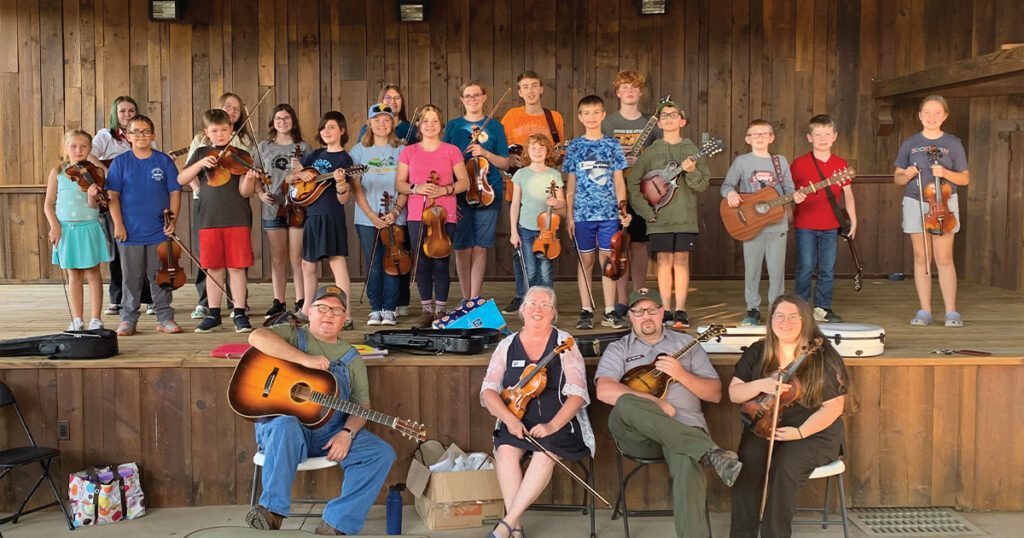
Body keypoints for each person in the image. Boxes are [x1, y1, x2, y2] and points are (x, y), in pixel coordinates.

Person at [245, 285, 396, 536]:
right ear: (309, 312)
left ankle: (336, 523)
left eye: (337, 310)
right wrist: (304, 360)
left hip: (330, 433)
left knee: (380, 453)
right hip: (284, 430)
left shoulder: (351, 358)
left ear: (345, 318)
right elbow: (256, 337)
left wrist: (347, 433)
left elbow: (362, 406)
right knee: (285, 425)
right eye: (322, 308)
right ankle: (272, 511)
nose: (329, 315)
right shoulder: (293, 334)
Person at [595, 288, 742, 538]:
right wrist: (655, 404)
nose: (646, 315)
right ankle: (710, 452)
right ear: (630, 315)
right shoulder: (619, 349)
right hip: (639, 436)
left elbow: (715, 394)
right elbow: (604, 390)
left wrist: (680, 374)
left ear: (662, 312)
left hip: (685, 427)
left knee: (686, 457)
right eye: (639, 311)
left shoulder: (687, 345)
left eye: (652, 309)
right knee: (626, 402)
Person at [728, 295, 849, 538]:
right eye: (780, 316)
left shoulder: (822, 356)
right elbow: (734, 393)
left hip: (814, 432)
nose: (786, 321)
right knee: (747, 462)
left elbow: (834, 407)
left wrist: (800, 432)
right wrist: (762, 384)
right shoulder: (758, 351)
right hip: (767, 427)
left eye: (794, 316)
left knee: (784, 466)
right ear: (771, 320)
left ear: (805, 320)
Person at [480, 286, 593, 538]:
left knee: (544, 454)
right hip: (517, 418)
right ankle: (516, 529)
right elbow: (488, 391)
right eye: (532, 304)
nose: (538, 310)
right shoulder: (507, 345)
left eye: (545, 305)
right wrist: (509, 419)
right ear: (522, 310)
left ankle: (507, 525)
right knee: (506, 450)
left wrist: (552, 426)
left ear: (553, 313)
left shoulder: (564, 343)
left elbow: (577, 394)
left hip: (559, 420)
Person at [627, 101, 710, 329]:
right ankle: (665, 309)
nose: (669, 118)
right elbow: (634, 181)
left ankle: (681, 309)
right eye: (664, 115)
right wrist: (645, 211)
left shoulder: (692, 150)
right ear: (659, 123)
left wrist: (691, 172)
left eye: (674, 115)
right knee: (663, 262)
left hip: (685, 216)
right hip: (659, 217)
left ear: (682, 121)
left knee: (681, 260)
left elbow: (702, 184)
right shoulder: (651, 151)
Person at [179, 109, 259, 333]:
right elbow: (182, 178)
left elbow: (244, 192)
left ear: (231, 129)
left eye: (224, 130)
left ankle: (240, 312)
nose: (220, 134)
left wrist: (251, 179)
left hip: (237, 217)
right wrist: (200, 164)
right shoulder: (201, 153)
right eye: (215, 131)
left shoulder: (241, 155)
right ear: (207, 132)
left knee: (236, 267)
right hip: (208, 218)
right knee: (213, 268)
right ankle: (213, 314)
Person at [893, 95, 969, 327]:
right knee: (921, 257)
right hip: (916, 201)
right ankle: (925, 310)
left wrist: (945, 173)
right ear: (920, 116)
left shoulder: (953, 143)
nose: (932, 117)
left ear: (945, 116)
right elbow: (896, 178)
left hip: (943, 202)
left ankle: (951, 311)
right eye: (927, 112)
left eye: (937, 113)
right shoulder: (910, 143)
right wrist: (905, 175)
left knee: (944, 258)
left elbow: (964, 178)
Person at [722, 120, 805, 326]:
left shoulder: (780, 161)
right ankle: (753, 308)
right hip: (750, 223)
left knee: (777, 270)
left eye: (764, 133)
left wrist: (796, 197)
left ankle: (777, 308)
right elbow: (727, 185)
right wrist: (731, 193)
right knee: (752, 268)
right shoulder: (742, 161)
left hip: (777, 223)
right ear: (747, 139)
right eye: (755, 134)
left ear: (771, 138)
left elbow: (788, 189)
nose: (760, 137)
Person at [105, 115, 183, 335]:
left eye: (146, 131)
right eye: (136, 132)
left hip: (159, 231)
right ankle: (128, 319)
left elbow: (175, 193)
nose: (141, 135)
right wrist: (118, 225)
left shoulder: (163, 161)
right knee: (131, 278)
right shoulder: (120, 163)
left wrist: (173, 221)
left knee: (161, 277)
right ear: (128, 136)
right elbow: (112, 196)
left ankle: (165, 317)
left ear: (153, 136)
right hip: (129, 232)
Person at [395, 104, 470, 328]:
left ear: (441, 125)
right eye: (425, 120)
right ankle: (427, 311)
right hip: (418, 214)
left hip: (444, 215)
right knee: (422, 264)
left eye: (434, 120)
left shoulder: (452, 150)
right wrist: (417, 188)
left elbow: (464, 182)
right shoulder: (409, 151)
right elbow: (400, 183)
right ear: (418, 124)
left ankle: (441, 311)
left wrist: (445, 190)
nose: (429, 125)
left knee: (441, 262)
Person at [564, 95, 630, 330]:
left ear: (603, 115)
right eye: (586, 113)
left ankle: (610, 311)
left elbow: (619, 181)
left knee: (609, 262)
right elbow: (570, 185)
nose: (591, 117)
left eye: (596, 112)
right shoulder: (575, 146)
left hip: (609, 215)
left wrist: (622, 208)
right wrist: (569, 216)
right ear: (580, 117)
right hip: (582, 215)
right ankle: (586, 309)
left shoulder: (612, 145)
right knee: (585, 261)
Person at [501, 71, 566, 314]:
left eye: (534, 86)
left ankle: (544, 301)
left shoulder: (554, 118)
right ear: (519, 92)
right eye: (524, 87)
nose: (529, 91)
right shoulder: (511, 116)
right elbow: (503, 149)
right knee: (521, 256)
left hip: (546, 196)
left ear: (541, 89)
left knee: (544, 260)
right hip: (520, 189)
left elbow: (559, 151)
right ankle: (522, 296)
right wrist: (511, 159)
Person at [286, 111, 355, 329]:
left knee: (336, 261)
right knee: (307, 264)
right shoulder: (314, 156)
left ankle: (347, 314)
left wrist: (341, 184)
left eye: (332, 127)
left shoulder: (345, 160)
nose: (326, 131)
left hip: (331, 214)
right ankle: (307, 308)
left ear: (342, 131)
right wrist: (300, 175)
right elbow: (291, 180)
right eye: (324, 128)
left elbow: (343, 198)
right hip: (312, 215)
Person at [88, 96, 155, 317]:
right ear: (115, 114)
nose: (127, 115)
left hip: (139, 199)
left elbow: (155, 158)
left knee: (144, 248)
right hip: (113, 197)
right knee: (118, 248)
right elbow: (89, 154)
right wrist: (108, 172)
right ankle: (117, 298)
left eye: (131, 110)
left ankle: (147, 298)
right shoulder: (105, 136)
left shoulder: (143, 135)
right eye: (123, 111)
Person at [443, 82, 510, 301]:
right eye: (467, 96)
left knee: (481, 246)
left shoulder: (495, 127)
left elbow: (506, 163)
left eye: (476, 95)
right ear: (462, 100)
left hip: (488, 192)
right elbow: (444, 163)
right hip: (459, 194)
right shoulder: (453, 127)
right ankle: (465, 298)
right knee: (462, 247)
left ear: (484, 97)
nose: (472, 99)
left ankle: (475, 298)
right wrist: (450, 197)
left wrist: (485, 153)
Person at [604, 70, 661, 319]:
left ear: (640, 92)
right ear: (618, 93)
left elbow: (660, 158)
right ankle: (621, 300)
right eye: (624, 87)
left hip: (641, 192)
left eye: (633, 87)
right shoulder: (608, 123)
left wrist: (642, 159)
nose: (629, 91)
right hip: (613, 192)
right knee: (618, 246)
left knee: (639, 245)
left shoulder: (652, 123)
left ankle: (639, 293)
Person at [791, 114, 857, 323]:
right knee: (806, 266)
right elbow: (788, 192)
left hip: (830, 225)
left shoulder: (840, 164)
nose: (822, 138)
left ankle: (822, 307)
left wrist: (853, 221)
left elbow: (848, 194)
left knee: (827, 268)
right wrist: (795, 198)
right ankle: (800, 308)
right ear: (809, 137)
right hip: (805, 224)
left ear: (834, 136)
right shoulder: (799, 164)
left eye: (827, 134)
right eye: (817, 134)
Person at [44, 130, 111, 331]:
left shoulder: (94, 173)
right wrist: (55, 226)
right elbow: (48, 204)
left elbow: (95, 206)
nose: (78, 150)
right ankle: (77, 319)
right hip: (66, 230)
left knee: (93, 273)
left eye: (83, 146)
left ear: (90, 149)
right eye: (73, 146)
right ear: (66, 148)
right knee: (73, 275)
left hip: (88, 227)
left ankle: (96, 319)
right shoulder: (57, 172)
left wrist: (92, 195)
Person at [351, 103, 407, 326]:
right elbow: (356, 186)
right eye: (377, 120)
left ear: (393, 123)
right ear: (369, 123)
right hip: (367, 217)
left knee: (393, 261)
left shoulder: (402, 149)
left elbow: (406, 185)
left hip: (395, 216)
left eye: (386, 120)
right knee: (373, 262)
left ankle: (390, 308)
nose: (382, 124)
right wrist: (370, 213)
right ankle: (376, 308)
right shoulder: (358, 151)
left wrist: (396, 210)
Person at [256, 104, 313, 319]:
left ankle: (301, 300)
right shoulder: (263, 147)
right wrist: (261, 194)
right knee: (277, 257)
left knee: (296, 256)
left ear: (294, 121)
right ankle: (278, 301)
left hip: (296, 207)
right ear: (273, 122)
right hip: (273, 206)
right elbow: (255, 176)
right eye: (278, 118)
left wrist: (300, 169)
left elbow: (311, 178)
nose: (282, 121)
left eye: (287, 118)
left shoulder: (304, 147)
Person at [510, 134, 565, 291]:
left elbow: (562, 201)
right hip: (526, 228)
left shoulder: (554, 174)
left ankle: (547, 303)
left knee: (545, 271)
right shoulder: (521, 174)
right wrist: (514, 231)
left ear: (548, 151)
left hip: (547, 230)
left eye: (542, 148)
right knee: (530, 270)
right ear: (527, 152)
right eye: (533, 148)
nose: (537, 151)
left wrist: (556, 202)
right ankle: (529, 303)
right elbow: (514, 205)